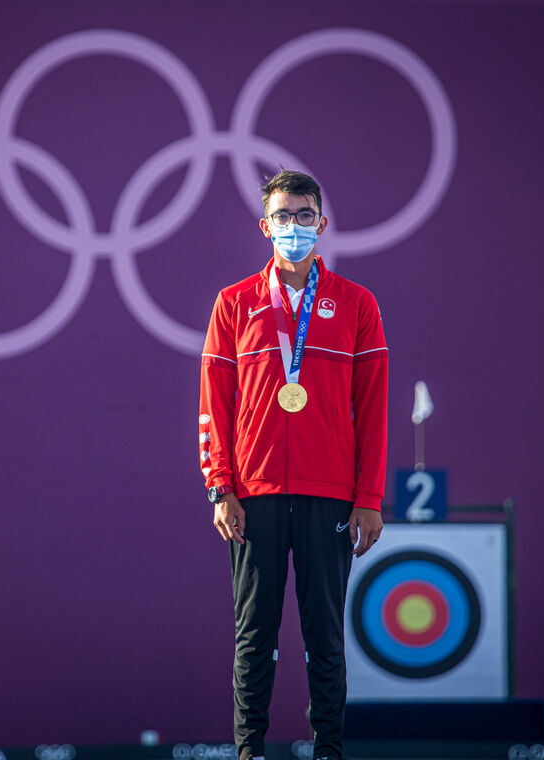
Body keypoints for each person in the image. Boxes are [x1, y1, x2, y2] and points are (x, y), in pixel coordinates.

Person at [197, 169, 389, 760]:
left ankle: (328, 749)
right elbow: (213, 404)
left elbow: (374, 408)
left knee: (324, 636)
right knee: (254, 635)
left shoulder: (357, 304)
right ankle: (248, 751)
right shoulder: (234, 303)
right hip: (252, 494)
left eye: (305, 215)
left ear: (322, 225)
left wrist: (369, 498)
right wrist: (219, 487)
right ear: (265, 226)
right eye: (283, 216)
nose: (294, 226)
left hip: (331, 493)